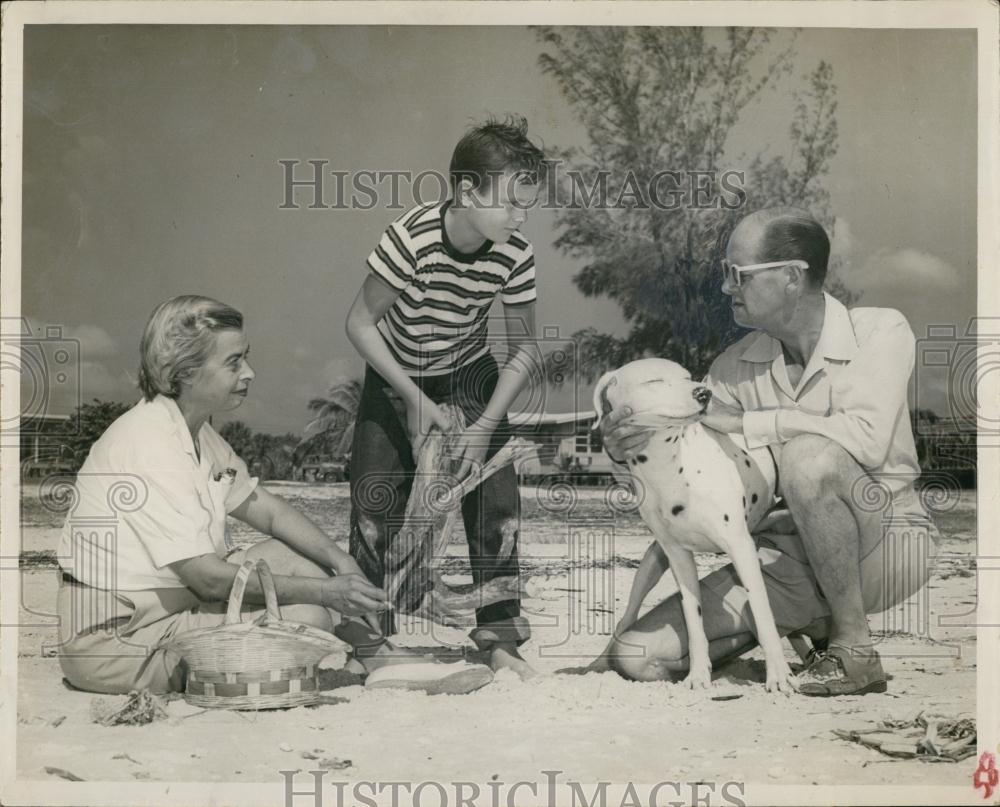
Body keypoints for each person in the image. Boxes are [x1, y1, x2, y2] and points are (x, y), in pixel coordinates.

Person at [56, 295, 493, 695]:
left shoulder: (194, 431)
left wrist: (338, 561)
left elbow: (265, 509)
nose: (249, 372)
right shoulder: (149, 443)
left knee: (300, 558)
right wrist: (325, 593)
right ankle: (371, 658)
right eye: (233, 363)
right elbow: (205, 577)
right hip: (117, 642)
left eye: (246, 358)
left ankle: (378, 658)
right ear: (184, 373)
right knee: (309, 619)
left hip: (171, 610)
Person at [598, 207, 940, 696]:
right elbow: (680, 470)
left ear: (791, 277)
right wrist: (621, 450)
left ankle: (853, 649)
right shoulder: (731, 367)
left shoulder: (881, 331)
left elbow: (866, 440)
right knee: (635, 655)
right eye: (724, 274)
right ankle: (803, 628)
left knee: (808, 460)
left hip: (887, 545)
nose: (724, 287)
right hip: (784, 561)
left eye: (736, 275)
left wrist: (747, 423)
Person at [345, 115, 545, 678]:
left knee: (496, 500)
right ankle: (366, 636)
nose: (520, 218)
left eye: (527, 206)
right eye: (509, 204)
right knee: (374, 500)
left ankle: (499, 634)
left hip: (469, 372)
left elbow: (525, 350)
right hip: (396, 371)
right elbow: (359, 325)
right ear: (466, 191)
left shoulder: (514, 254)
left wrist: (482, 428)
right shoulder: (410, 238)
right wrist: (411, 400)